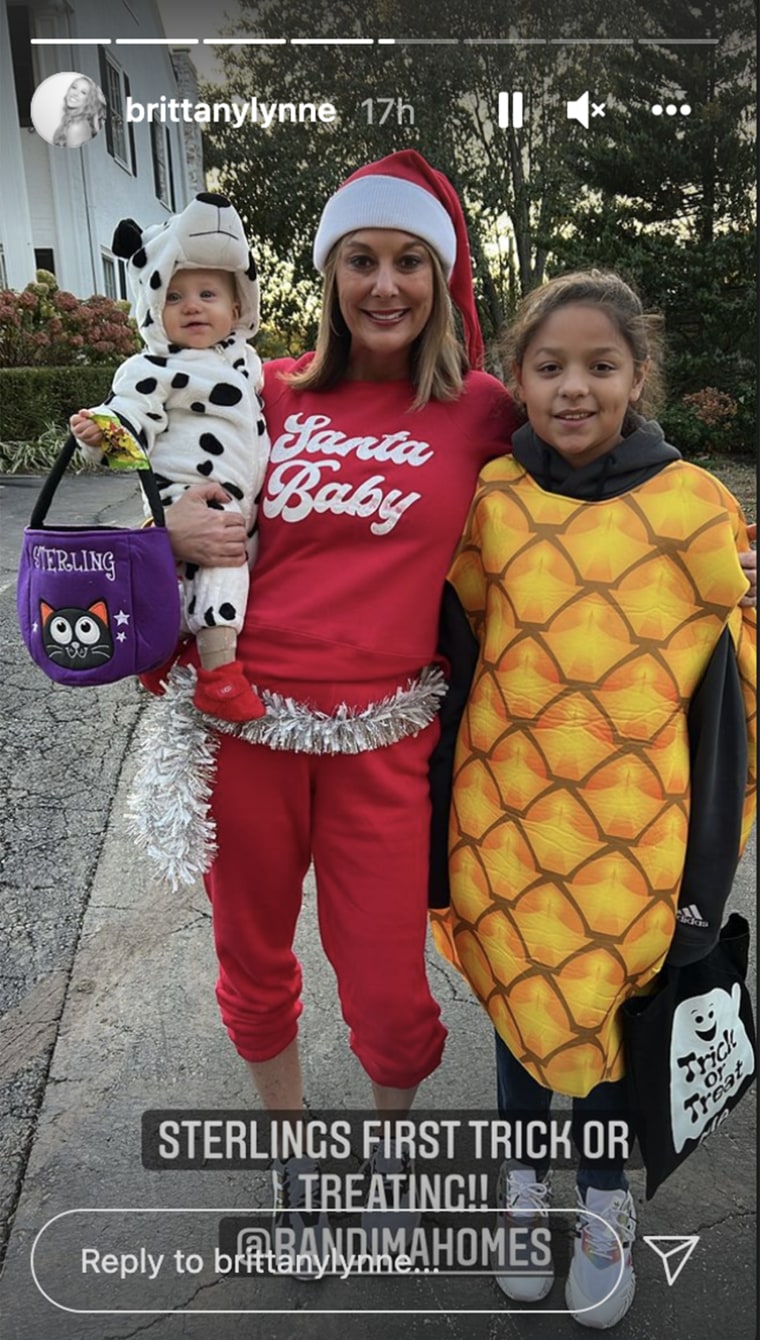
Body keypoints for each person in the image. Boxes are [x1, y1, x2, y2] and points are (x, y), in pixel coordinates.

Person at [157, 150, 521, 1248]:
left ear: (442, 277)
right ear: (326, 273)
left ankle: (385, 1143)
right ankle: (296, 1153)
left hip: (385, 743)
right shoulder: (258, 387)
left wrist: (702, 550)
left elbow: (589, 471)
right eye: (359, 258)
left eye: (409, 259)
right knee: (254, 958)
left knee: (390, 991)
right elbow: (159, 502)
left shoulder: (482, 413)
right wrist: (164, 532)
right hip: (244, 727)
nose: (384, 283)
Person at [429, 270, 757, 1328]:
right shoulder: (491, 500)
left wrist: (708, 865)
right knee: (520, 1002)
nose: (574, 388)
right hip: (505, 811)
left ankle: (605, 1197)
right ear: (514, 378)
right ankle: (527, 1189)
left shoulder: (692, 505)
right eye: (549, 366)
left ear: (636, 374)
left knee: (618, 1013)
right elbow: (450, 636)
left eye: (599, 366)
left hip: (634, 828)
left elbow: (723, 676)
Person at [70, 192, 269, 723]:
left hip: (241, 503)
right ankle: (220, 676)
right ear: (154, 307)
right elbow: (130, 412)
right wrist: (101, 430)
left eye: (208, 293)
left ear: (237, 306)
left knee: (189, 584)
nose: (192, 305)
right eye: (175, 296)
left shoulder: (247, 362)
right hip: (190, 496)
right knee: (223, 571)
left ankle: (157, 654)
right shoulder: (151, 366)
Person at [52, 75, 106, 148]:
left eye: (83, 92)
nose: (75, 94)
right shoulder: (71, 121)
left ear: (88, 100)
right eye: (74, 87)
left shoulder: (76, 127)